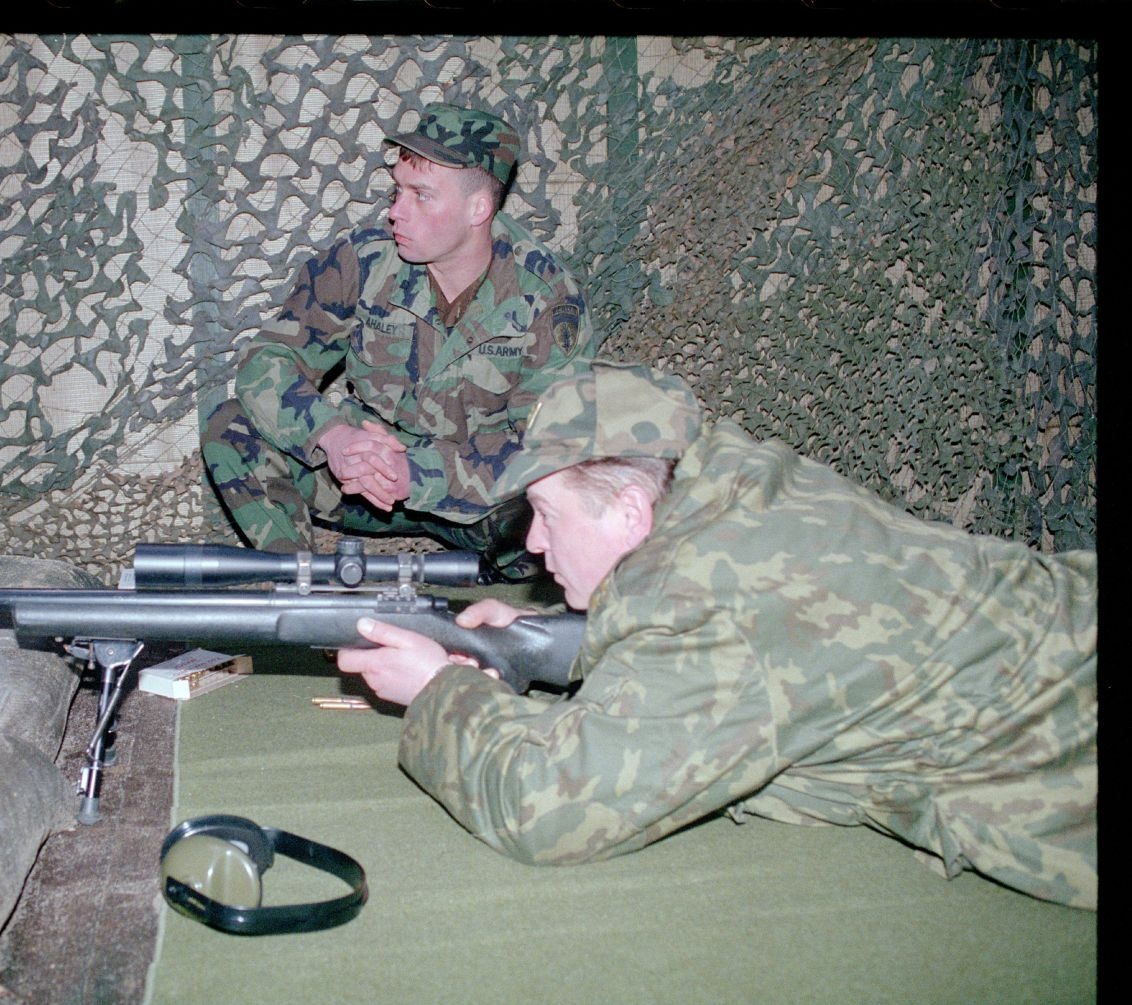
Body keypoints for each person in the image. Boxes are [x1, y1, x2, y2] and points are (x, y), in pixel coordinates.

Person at [336, 360, 1098, 910]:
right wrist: (552, 635)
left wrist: (439, 687)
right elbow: (737, 633)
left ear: (632, 510)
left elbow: (548, 807)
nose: (533, 544)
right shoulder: (730, 484)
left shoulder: (711, 597)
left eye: (549, 512)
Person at [201, 102, 600, 582]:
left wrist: (420, 472)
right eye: (397, 191)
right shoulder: (364, 261)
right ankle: (301, 589)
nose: (395, 212)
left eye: (421, 195)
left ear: (479, 209)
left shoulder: (546, 295)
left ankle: (498, 587)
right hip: (362, 480)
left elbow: (547, 444)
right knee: (233, 427)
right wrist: (333, 437)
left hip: (480, 505)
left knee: (561, 496)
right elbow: (269, 359)